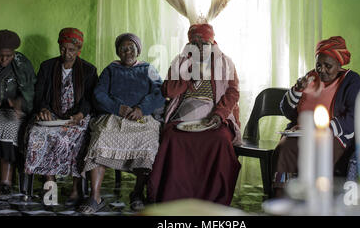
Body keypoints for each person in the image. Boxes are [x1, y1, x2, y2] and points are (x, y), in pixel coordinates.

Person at [147, 23, 242, 206]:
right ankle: (174, 197)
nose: (199, 47)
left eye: (204, 43)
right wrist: (188, 74)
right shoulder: (181, 61)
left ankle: (213, 199)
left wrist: (219, 115)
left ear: (212, 42)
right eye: (195, 43)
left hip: (214, 114)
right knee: (172, 138)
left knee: (220, 140)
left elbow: (233, 92)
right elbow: (168, 91)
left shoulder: (225, 62)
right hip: (184, 113)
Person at [79, 33, 165, 214]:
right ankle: (95, 197)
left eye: (131, 48)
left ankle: (137, 193)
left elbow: (158, 93)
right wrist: (118, 108)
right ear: (118, 52)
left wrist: (141, 109)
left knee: (148, 140)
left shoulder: (148, 68)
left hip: (141, 116)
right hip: (115, 116)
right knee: (100, 137)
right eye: (123, 49)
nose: (128, 52)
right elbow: (99, 94)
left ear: (138, 50)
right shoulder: (111, 69)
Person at [272, 36, 360, 197]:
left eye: (328, 66)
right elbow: (286, 110)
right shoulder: (311, 77)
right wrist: (296, 91)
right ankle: (282, 198)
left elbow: (354, 117)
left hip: (333, 135)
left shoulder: (352, 81)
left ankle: (314, 201)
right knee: (283, 149)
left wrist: (324, 129)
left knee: (319, 154)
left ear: (339, 64)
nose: (321, 70)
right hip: (300, 132)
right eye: (318, 65)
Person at [24, 28, 98, 205]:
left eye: (71, 50)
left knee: (79, 137)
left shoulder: (88, 70)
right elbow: (39, 94)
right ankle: (50, 184)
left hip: (76, 117)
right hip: (53, 114)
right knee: (37, 134)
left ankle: (76, 187)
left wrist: (80, 113)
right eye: (63, 49)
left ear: (79, 49)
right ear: (59, 46)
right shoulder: (47, 66)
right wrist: (43, 109)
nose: (67, 53)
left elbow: (90, 98)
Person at [0, 30, 36, 200]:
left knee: (11, 128)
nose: (4, 60)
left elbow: (31, 90)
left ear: (14, 53)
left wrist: (20, 104)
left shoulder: (22, 63)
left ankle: (6, 183)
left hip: (13, 113)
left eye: (8, 56)